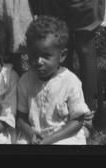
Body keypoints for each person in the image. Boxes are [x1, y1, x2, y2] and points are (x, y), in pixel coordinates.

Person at [16, 16, 90, 145]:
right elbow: (21, 118)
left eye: (46, 56)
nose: (38, 62)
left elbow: (77, 121)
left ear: (62, 56)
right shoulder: (25, 81)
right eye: (33, 55)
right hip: (34, 135)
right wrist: (30, 133)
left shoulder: (70, 81)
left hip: (63, 136)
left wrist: (49, 140)